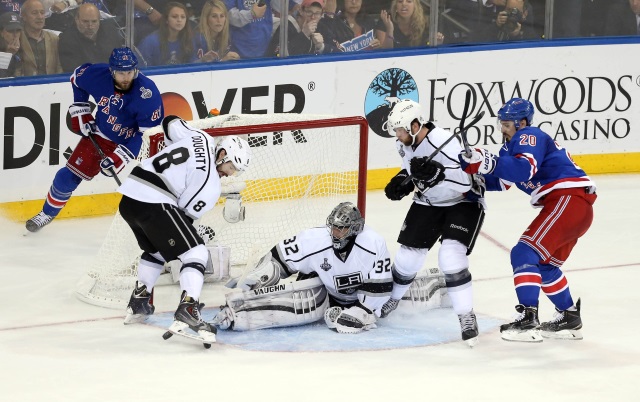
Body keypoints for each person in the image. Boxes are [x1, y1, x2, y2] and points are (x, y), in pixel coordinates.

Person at [458, 98, 597, 342]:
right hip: (574, 206)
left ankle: (528, 319)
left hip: (568, 200)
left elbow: (523, 170)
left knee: (524, 253)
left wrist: (486, 161)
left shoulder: (530, 135)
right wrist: (470, 176)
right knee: (544, 266)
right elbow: (503, 180)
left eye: (507, 125)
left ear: (522, 123)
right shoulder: (511, 148)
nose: (503, 129)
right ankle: (569, 317)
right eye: (501, 124)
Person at [120, 116, 251, 343]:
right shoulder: (210, 183)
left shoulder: (201, 137)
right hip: (155, 201)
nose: (230, 174)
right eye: (231, 167)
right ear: (222, 155)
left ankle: (139, 301)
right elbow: (183, 216)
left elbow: (170, 122)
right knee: (197, 252)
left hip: (130, 198)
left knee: (157, 250)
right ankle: (188, 307)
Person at [381, 99, 486, 347]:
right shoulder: (404, 143)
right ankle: (393, 299)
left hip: (462, 202)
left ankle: (466, 316)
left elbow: (467, 181)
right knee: (407, 258)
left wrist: (440, 173)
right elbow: (412, 170)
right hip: (428, 202)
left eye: (401, 130)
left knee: (450, 258)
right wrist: (402, 181)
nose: (397, 135)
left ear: (416, 125)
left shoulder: (443, 142)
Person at [25, 47, 164, 232]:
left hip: (137, 141)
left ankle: (169, 218)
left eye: (129, 72)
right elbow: (76, 78)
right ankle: (47, 213)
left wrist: (120, 157)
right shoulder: (97, 75)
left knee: (159, 179)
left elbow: (148, 135)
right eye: (121, 73)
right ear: (111, 71)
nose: (126, 78)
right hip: (103, 135)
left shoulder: (147, 93)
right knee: (66, 177)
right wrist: (81, 107)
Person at [213, 202, 397, 334]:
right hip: (323, 294)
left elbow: (379, 287)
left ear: (355, 229)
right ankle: (237, 315)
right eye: (333, 227)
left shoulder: (373, 243)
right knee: (290, 292)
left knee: (374, 307)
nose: (335, 233)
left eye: (341, 229)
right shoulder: (313, 240)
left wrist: (361, 311)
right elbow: (278, 259)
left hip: (361, 298)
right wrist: (256, 278)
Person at [57, 3, 123, 72]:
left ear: (99, 20)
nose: (90, 26)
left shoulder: (111, 31)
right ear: (77, 20)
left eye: (94, 21)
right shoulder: (67, 39)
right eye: (85, 21)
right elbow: (74, 70)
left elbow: (120, 59)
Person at [137, 2, 207, 66]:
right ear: (166, 20)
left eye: (183, 17)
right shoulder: (150, 41)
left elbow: (191, 67)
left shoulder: (190, 39)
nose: (179, 20)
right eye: (174, 16)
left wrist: (202, 60)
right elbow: (141, 68)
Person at [16, 0, 63, 76]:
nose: (40, 17)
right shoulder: (17, 38)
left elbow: (59, 68)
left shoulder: (54, 38)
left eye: (42, 12)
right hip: (24, 85)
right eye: (34, 13)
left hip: (51, 85)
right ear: (23, 16)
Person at [375, 0, 444, 49]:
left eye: (409, 1)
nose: (404, 4)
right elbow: (384, 52)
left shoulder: (425, 22)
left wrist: (436, 42)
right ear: (396, 7)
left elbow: (427, 46)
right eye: (400, 1)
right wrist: (389, 29)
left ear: (415, 6)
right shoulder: (386, 20)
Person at [0, 12, 22, 78]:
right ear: (1, 33)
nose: (15, 35)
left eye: (18, 30)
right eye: (10, 30)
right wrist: (8, 55)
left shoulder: (25, 46)